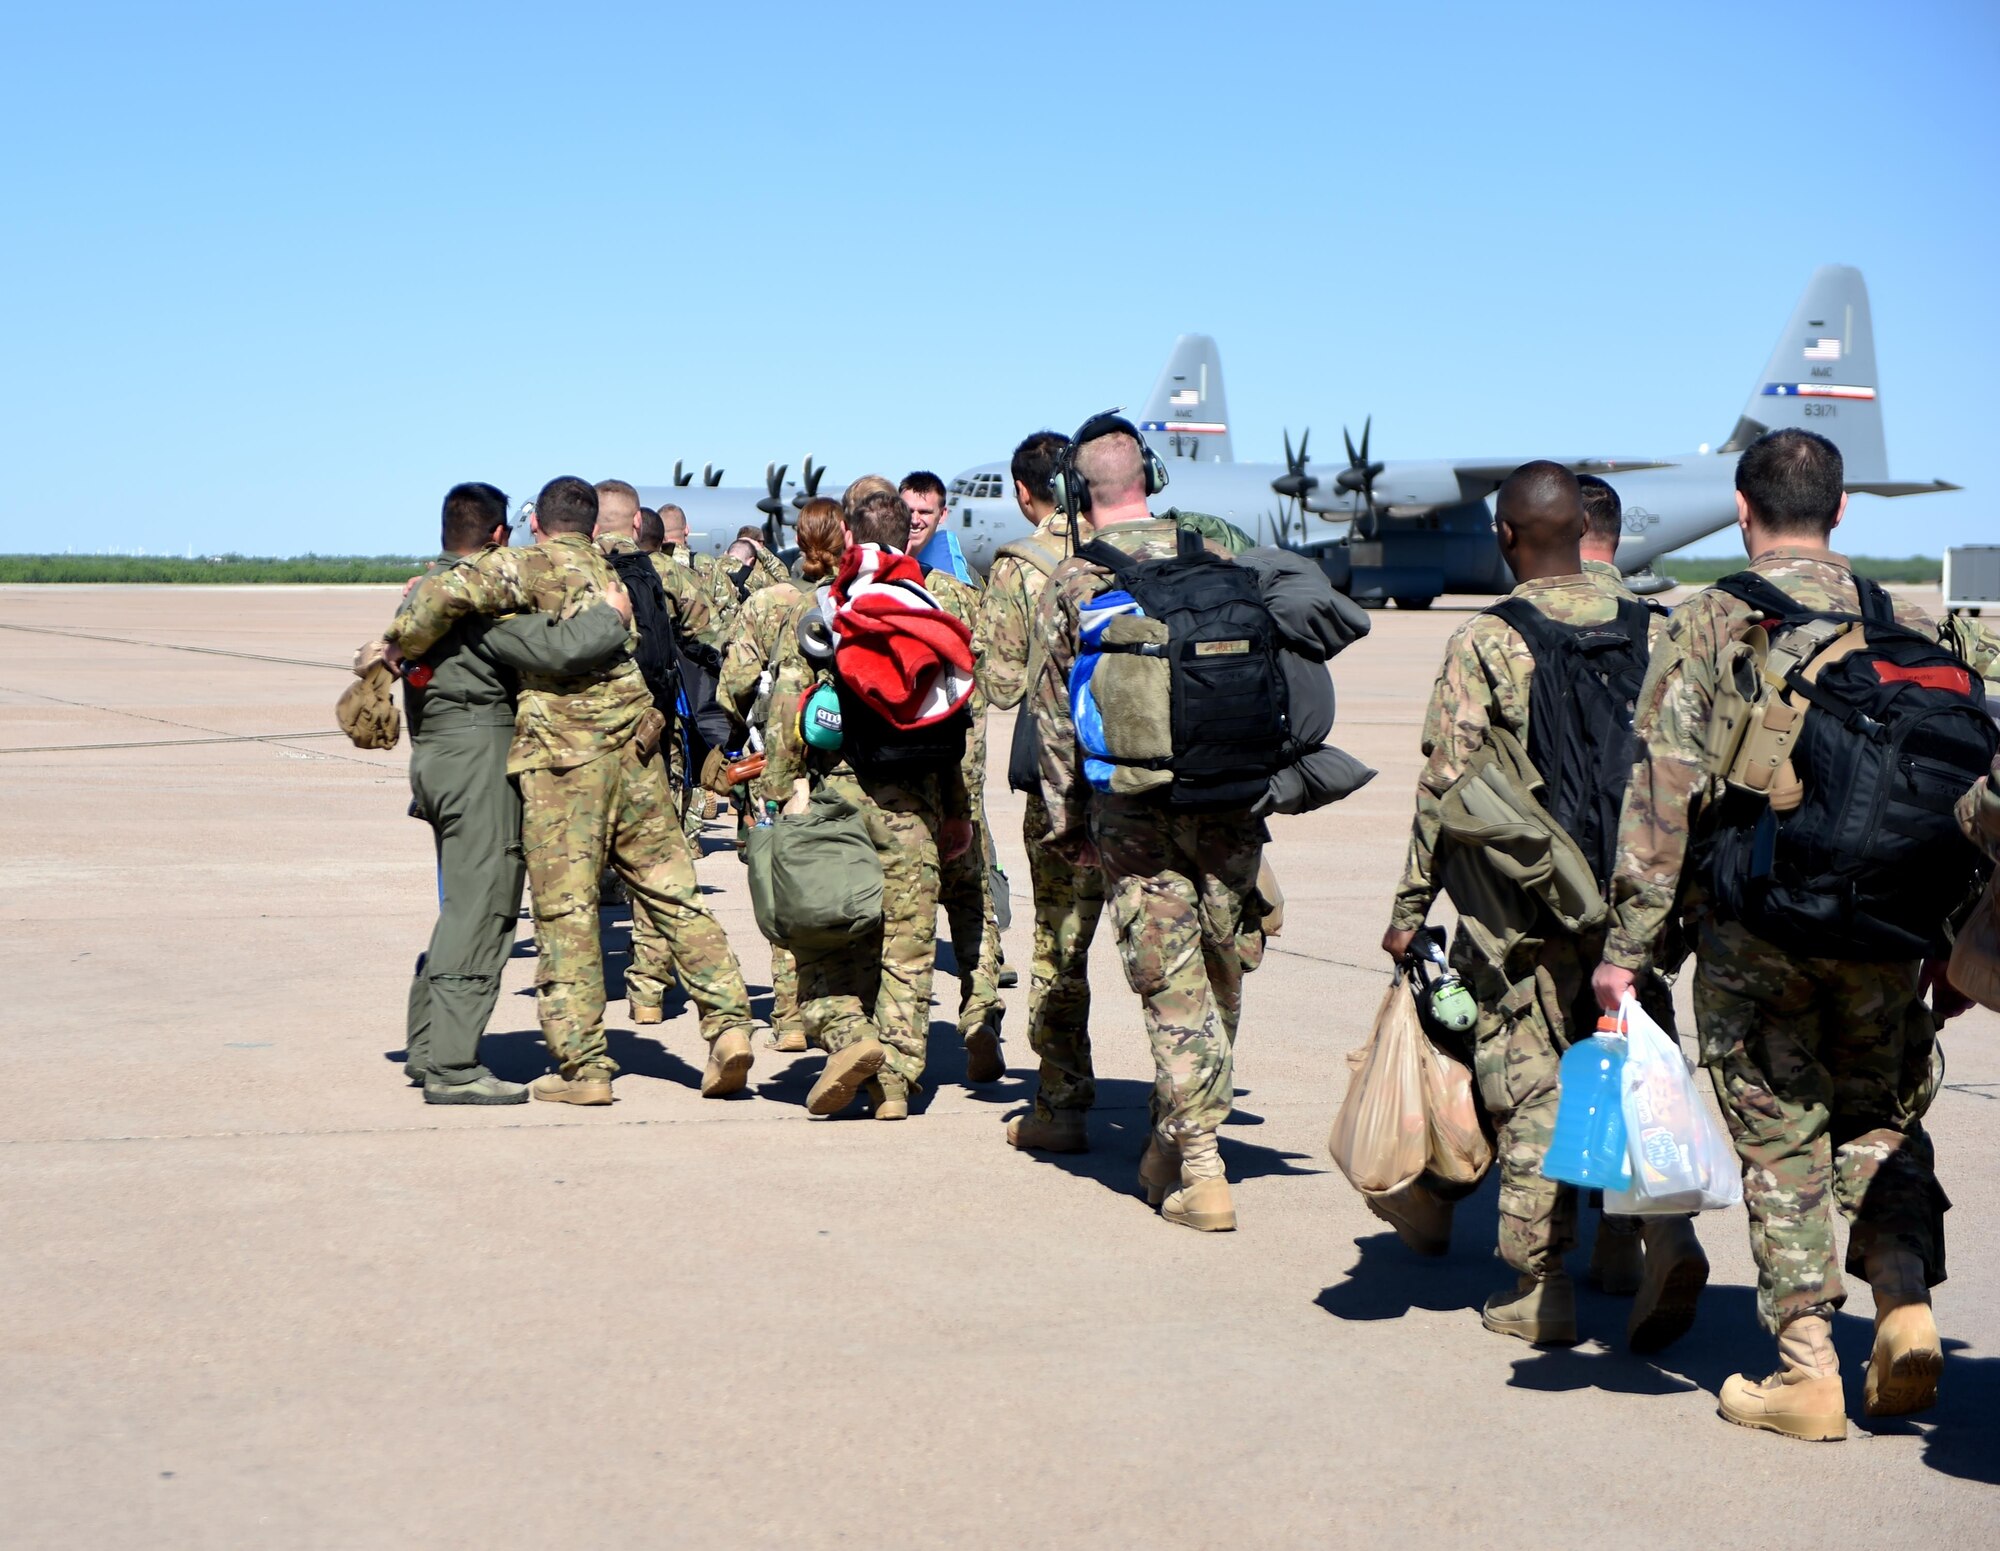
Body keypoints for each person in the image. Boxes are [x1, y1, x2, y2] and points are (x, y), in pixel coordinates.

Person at [1593, 428, 2000, 1440]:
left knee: (1779, 1134)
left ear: (1740, 508)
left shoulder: (1709, 621)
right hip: (1887, 936)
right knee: (1877, 1116)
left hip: (1757, 932)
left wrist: (1625, 952)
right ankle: (1900, 1298)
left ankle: (1806, 1370)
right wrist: (1957, 940)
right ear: (1841, 511)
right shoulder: (1901, 619)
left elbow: (1660, 796)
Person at [1379, 461, 1701, 1347]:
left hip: (1526, 903)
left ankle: (1539, 1284)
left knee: (1531, 1088)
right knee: (1629, 1064)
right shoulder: (1660, 630)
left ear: (1509, 537)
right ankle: (1640, 1239)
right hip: (1643, 900)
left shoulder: (1491, 639)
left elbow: (1446, 788)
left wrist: (1410, 907)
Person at [380, 476, 759, 1105]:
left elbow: (448, 587)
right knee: (675, 898)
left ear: (537, 524)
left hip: (566, 765)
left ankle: (583, 1068)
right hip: (640, 751)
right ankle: (727, 1028)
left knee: (568, 915)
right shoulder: (626, 573)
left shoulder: (525, 566)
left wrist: (397, 641)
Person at [1029, 415, 1262, 1232]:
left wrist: (1066, 823)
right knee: (1221, 974)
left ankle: (1199, 1168)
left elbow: (1055, 719)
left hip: (1133, 813)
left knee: (1170, 985)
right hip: (1230, 801)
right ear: (1151, 478)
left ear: (1077, 495)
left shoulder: (1074, 581)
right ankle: (1176, 1133)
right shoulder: (1219, 558)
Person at [373, 482, 634, 1105]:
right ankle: (454, 1067)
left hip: (438, 755)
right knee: (485, 909)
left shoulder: (424, 596)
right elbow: (555, 648)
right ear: (497, 538)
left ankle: (428, 1045)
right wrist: (611, 616)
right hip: (477, 760)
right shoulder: (471, 603)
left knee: (461, 904)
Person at [762, 489, 976, 1120]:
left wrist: (781, 804)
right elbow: (954, 722)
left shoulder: (826, 609)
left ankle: (851, 1036)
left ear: (849, 536)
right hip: (915, 810)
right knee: (907, 952)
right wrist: (957, 810)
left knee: (825, 945)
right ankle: (896, 1085)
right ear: (906, 532)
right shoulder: (929, 609)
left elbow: (786, 717)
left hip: (838, 812)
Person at [975, 431, 1106, 1152]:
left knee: (1062, 944)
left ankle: (1062, 1103)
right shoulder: (1138, 546)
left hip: (1063, 784)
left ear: (1025, 493)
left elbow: (998, 687)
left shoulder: (1020, 568)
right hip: (1149, 780)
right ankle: (1189, 1119)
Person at [716, 498, 841, 1053]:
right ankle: (841, 1009)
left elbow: (734, 686)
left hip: (777, 765)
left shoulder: (769, 602)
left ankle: (789, 1016)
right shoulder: (857, 599)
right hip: (849, 769)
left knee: (783, 883)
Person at [904, 471, 1006, 1084]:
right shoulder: (889, 587)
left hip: (950, 774)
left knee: (961, 896)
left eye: (927, 511)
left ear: (943, 518)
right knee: (931, 902)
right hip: (906, 774)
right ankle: (971, 1012)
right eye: (908, 510)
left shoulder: (955, 592)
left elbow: (992, 679)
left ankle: (977, 1018)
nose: (917, 519)